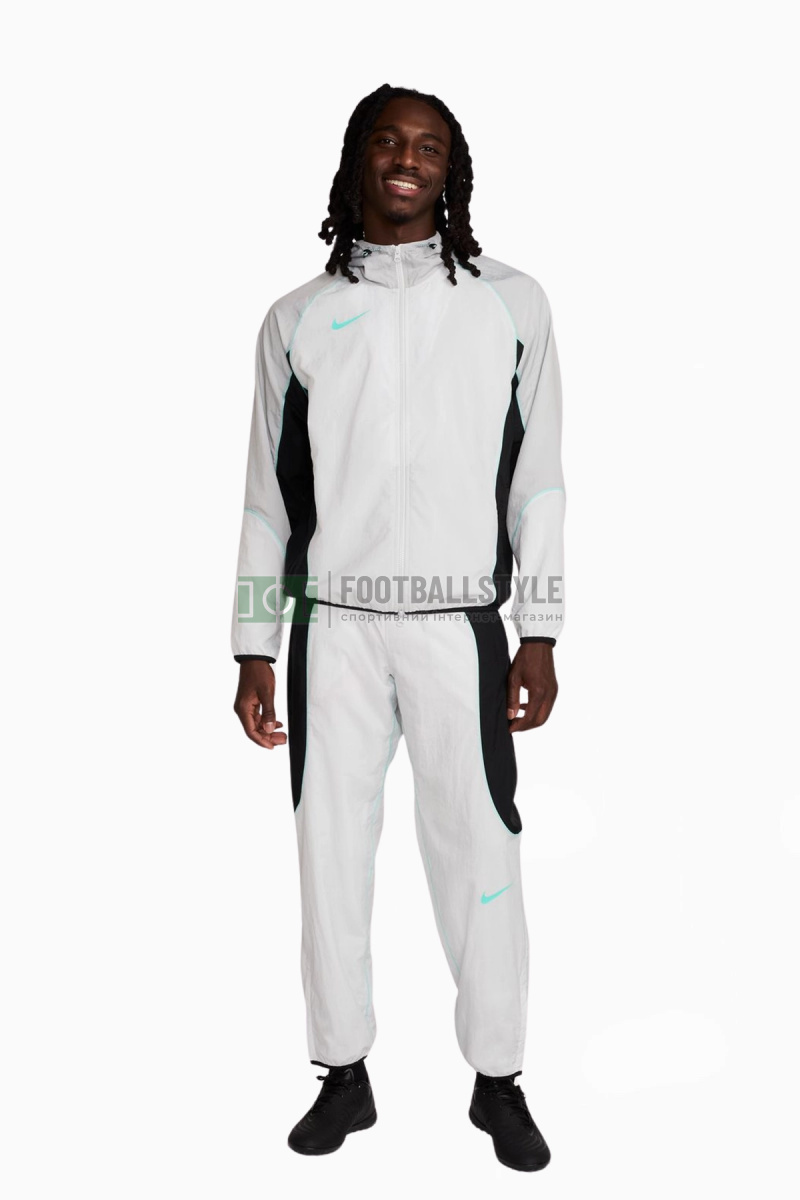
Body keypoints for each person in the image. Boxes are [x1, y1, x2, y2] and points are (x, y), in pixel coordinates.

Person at [231, 83, 565, 1172]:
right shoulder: (296, 318)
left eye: (428, 145)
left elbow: (538, 483)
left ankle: (498, 1081)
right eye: (388, 140)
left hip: (459, 627)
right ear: (357, 160)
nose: (407, 158)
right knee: (329, 856)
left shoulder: (511, 304)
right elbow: (267, 502)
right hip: (332, 631)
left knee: (482, 851)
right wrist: (252, 646)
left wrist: (539, 629)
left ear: (451, 169)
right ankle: (343, 1075)